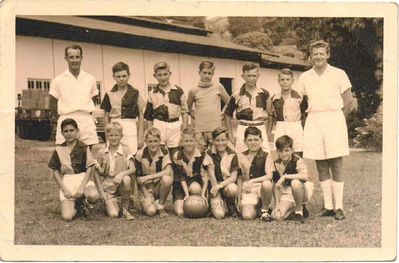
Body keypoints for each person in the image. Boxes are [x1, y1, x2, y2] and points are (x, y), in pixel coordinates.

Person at [297, 40, 354, 220]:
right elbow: (298, 100)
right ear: (311, 56)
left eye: (322, 53)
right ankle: (328, 206)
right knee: (321, 164)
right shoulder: (305, 77)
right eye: (315, 54)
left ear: (327, 55)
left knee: (336, 163)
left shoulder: (339, 73)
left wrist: (338, 120)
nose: (319, 57)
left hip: (334, 118)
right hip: (314, 119)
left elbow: (349, 101)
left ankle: (339, 207)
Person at [48, 118, 100, 221]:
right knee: (67, 217)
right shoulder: (59, 149)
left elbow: (90, 168)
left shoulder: (84, 147)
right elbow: (55, 170)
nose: (69, 134)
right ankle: (78, 205)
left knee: (93, 196)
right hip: (68, 181)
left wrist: (81, 187)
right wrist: (64, 189)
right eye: (66, 131)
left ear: (77, 131)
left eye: (72, 130)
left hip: (82, 179)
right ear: (62, 133)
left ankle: (84, 200)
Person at [49, 44, 99, 147]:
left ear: (81, 58)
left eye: (77, 57)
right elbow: (52, 103)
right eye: (71, 57)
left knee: (88, 157)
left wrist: (85, 112)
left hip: (86, 120)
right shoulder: (58, 80)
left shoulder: (90, 78)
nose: (74, 60)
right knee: (66, 157)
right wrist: (63, 118)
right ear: (66, 58)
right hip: (66, 119)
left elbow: (93, 98)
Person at [225, 62, 272, 154]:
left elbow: (271, 115)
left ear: (258, 75)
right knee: (241, 157)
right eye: (248, 76)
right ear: (243, 76)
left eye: (254, 75)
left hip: (260, 127)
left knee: (265, 157)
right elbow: (227, 114)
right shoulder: (237, 94)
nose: (251, 78)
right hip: (243, 127)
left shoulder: (264, 93)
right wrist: (230, 134)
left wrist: (268, 133)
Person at [144, 61, 188, 158]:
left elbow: (185, 112)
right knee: (159, 151)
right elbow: (149, 116)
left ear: (170, 74)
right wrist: (150, 131)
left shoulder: (178, 91)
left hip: (174, 124)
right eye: (159, 75)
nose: (163, 77)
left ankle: (175, 172)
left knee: (175, 152)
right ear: (155, 76)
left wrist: (184, 129)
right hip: (159, 124)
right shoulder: (152, 93)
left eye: (165, 74)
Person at [93, 122, 135, 220]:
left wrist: (122, 174)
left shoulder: (126, 150)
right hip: (108, 187)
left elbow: (133, 169)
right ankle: (111, 202)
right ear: (106, 136)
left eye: (116, 135)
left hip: (121, 185)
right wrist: (100, 191)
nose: (114, 138)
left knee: (126, 179)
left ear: (121, 136)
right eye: (111, 135)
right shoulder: (102, 152)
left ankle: (125, 209)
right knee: (114, 215)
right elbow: (95, 172)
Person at [100, 62, 145, 153]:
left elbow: (141, 115)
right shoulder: (109, 94)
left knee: (131, 153)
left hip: (130, 126)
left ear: (129, 75)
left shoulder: (136, 93)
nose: (121, 79)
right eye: (118, 76)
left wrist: (140, 137)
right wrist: (106, 136)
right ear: (114, 77)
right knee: (114, 154)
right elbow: (106, 116)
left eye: (124, 76)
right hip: (113, 127)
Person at [268, 135, 314, 223]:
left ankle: (299, 211)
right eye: (280, 151)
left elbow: (305, 176)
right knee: (277, 216)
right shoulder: (276, 164)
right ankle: (294, 208)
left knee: (295, 183)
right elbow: (276, 186)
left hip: (301, 189)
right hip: (286, 193)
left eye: (286, 150)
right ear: (277, 151)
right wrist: (277, 204)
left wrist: (285, 176)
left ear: (292, 150)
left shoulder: (297, 160)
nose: (284, 154)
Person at [187, 61, 230, 152]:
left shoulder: (218, 87)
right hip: (199, 131)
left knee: (215, 154)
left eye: (209, 73)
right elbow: (188, 107)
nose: (207, 76)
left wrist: (222, 113)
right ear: (199, 73)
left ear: (213, 74)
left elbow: (229, 103)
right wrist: (194, 115)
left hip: (215, 130)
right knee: (199, 156)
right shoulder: (193, 89)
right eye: (204, 73)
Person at [267, 68, 307, 156]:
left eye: (288, 79)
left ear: (292, 81)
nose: (285, 82)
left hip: (296, 126)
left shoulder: (299, 96)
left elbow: (305, 115)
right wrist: (268, 133)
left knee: (297, 155)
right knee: (282, 155)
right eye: (282, 79)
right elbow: (271, 117)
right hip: (281, 126)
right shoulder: (274, 98)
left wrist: (305, 131)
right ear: (278, 81)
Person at [134, 127, 173, 217]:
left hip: (158, 185)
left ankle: (160, 206)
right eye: (150, 141)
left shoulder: (164, 151)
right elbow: (138, 179)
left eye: (155, 141)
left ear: (160, 141)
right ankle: (150, 202)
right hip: (146, 188)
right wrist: (147, 196)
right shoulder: (140, 154)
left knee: (167, 179)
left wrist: (148, 177)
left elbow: (168, 171)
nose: (153, 144)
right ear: (146, 142)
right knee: (151, 212)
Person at [237, 127, 273, 221]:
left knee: (267, 183)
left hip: (261, 187)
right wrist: (239, 193)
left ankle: (264, 210)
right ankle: (257, 206)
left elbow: (269, 176)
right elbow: (240, 176)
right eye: (250, 140)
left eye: (256, 139)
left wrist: (253, 180)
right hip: (248, 189)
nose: (253, 142)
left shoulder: (266, 155)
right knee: (247, 216)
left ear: (261, 140)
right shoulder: (241, 156)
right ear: (245, 141)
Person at [203, 127, 239, 219]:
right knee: (219, 215)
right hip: (214, 185)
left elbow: (233, 177)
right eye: (217, 140)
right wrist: (216, 191)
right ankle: (214, 204)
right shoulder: (209, 152)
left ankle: (231, 207)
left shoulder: (233, 153)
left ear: (227, 140)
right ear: (213, 141)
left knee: (233, 188)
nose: (220, 143)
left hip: (226, 185)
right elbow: (211, 175)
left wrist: (220, 186)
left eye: (223, 140)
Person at [172, 128, 208, 217]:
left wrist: (203, 195)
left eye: (191, 140)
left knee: (195, 188)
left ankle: (197, 198)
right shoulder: (177, 155)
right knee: (180, 212)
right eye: (186, 141)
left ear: (195, 141)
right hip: (180, 185)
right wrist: (187, 196)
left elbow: (205, 177)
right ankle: (183, 198)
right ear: (182, 142)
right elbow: (181, 177)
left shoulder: (201, 154)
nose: (189, 143)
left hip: (194, 182)